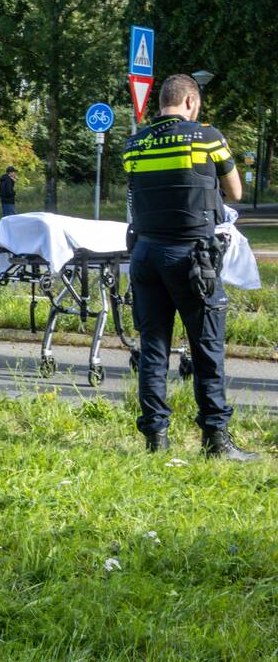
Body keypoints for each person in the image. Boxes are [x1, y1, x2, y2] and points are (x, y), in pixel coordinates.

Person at [123, 73, 258, 461]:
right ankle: (216, 440)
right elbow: (235, 192)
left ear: (161, 102)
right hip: (192, 258)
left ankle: (156, 440)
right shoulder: (207, 137)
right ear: (191, 102)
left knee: (153, 347)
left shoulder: (135, 144)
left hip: (145, 255)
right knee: (206, 349)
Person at [0, 167, 18, 236]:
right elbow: (9, 192)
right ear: (10, 173)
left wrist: (13, 182)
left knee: (8, 217)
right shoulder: (8, 180)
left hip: (4, 201)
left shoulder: (4, 180)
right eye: (14, 172)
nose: (15, 173)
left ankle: (5, 232)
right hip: (8, 201)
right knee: (12, 217)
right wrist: (14, 192)